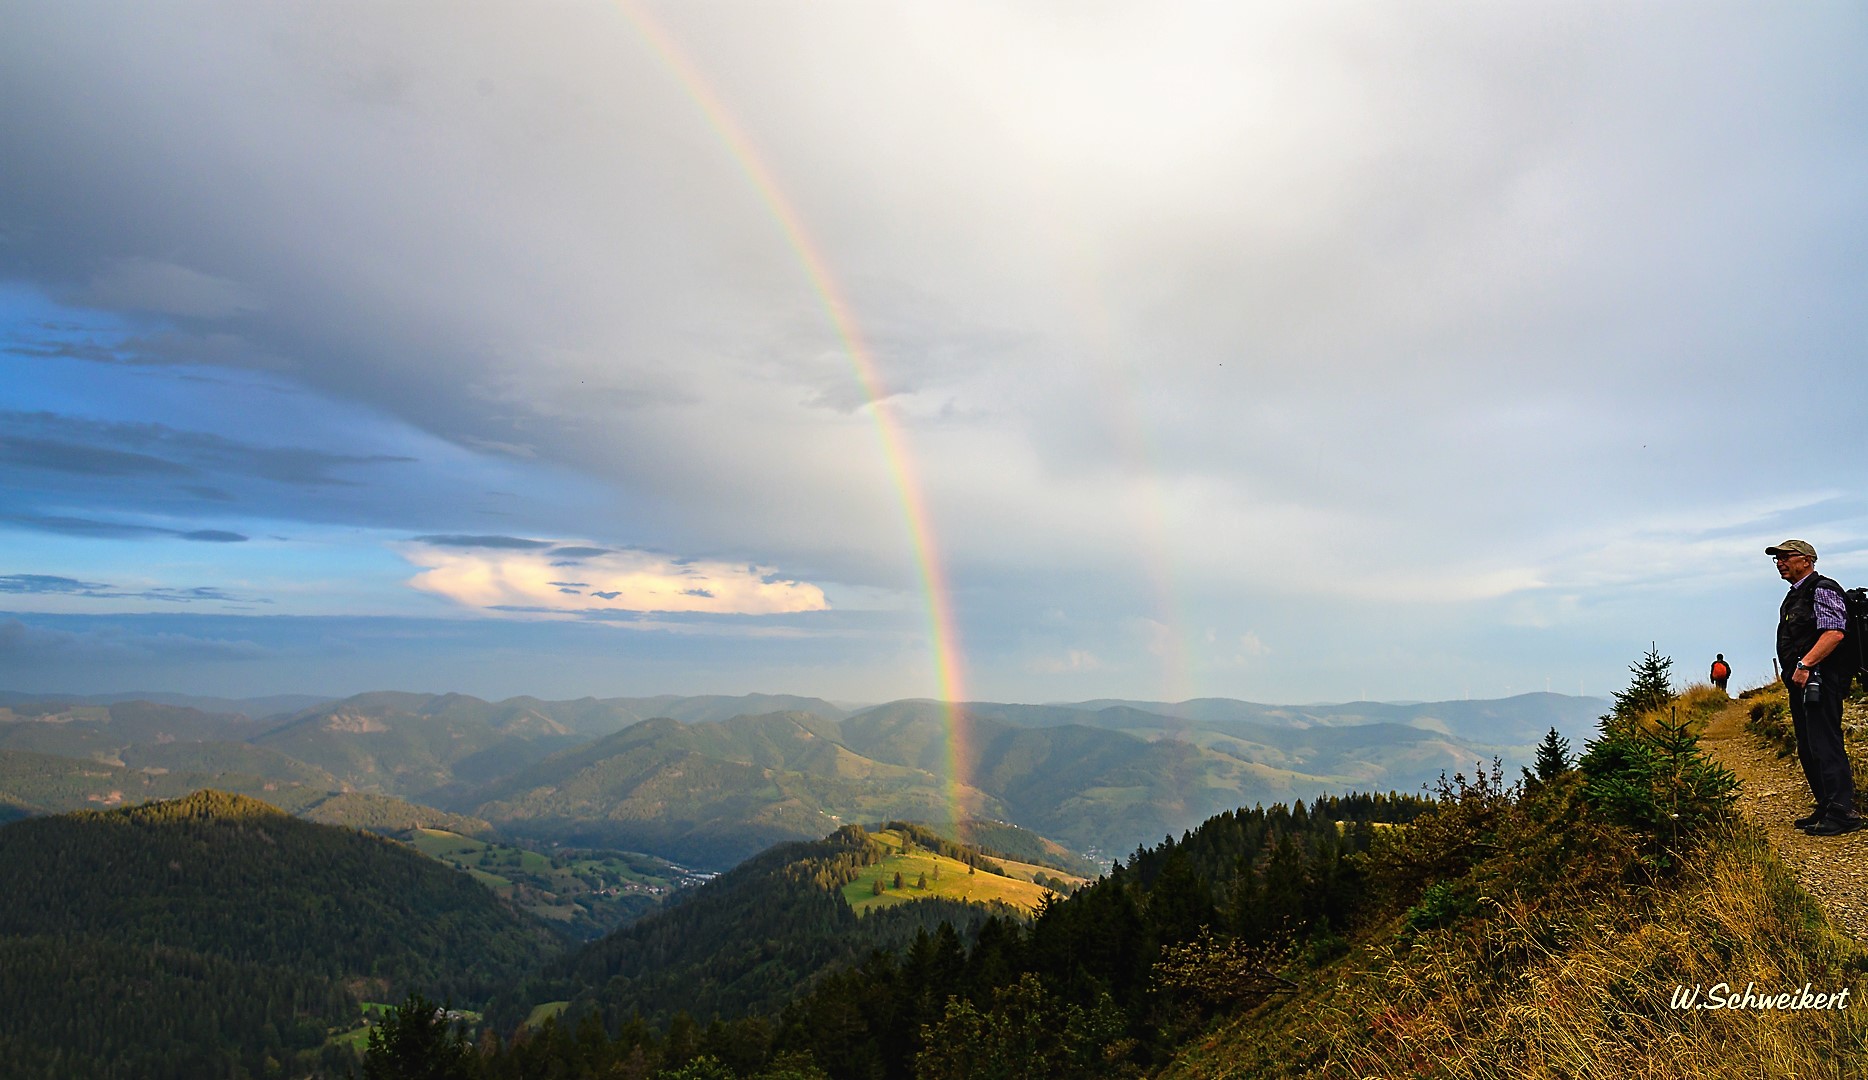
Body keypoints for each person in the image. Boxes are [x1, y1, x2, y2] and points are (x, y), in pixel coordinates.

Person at [1767, 540, 1860, 836]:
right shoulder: (1795, 595)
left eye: (1786, 557)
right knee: (1808, 746)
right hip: (1804, 681)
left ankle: (1843, 812)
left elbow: (1834, 632)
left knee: (1825, 743)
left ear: (1806, 560)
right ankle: (1826, 806)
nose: (1780, 563)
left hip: (1822, 678)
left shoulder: (1822, 588)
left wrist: (1806, 665)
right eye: (1777, 559)